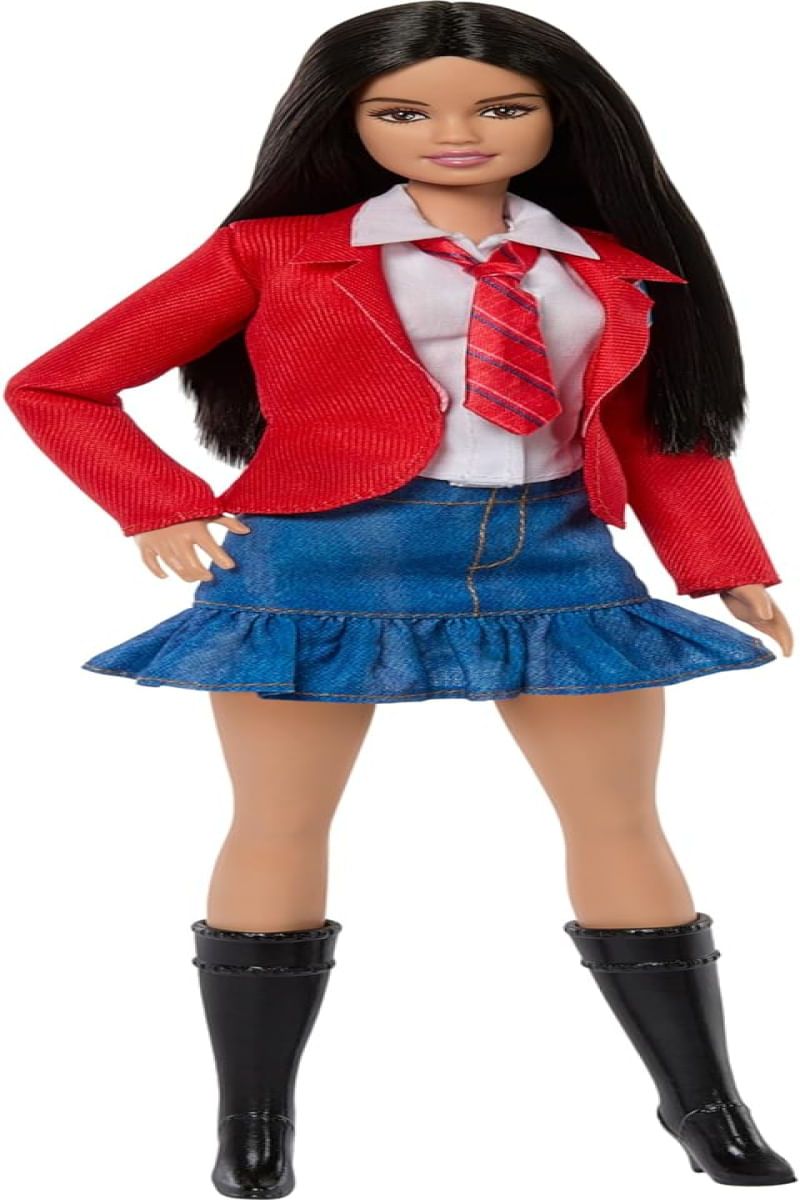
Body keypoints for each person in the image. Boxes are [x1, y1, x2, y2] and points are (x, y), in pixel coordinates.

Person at [4, 3, 795, 1195]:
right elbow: (60, 383)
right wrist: (156, 501)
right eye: (404, 111)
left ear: (563, 116)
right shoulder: (275, 252)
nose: (454, 133)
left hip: (551, 551)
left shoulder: (602, 262)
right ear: (348, 121)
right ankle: (252, 1125)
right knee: (278, 823)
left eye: (502, 107)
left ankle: (704, 1106)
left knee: (620, 820)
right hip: (325, 555)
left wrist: (719, 558)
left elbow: (656, 429)